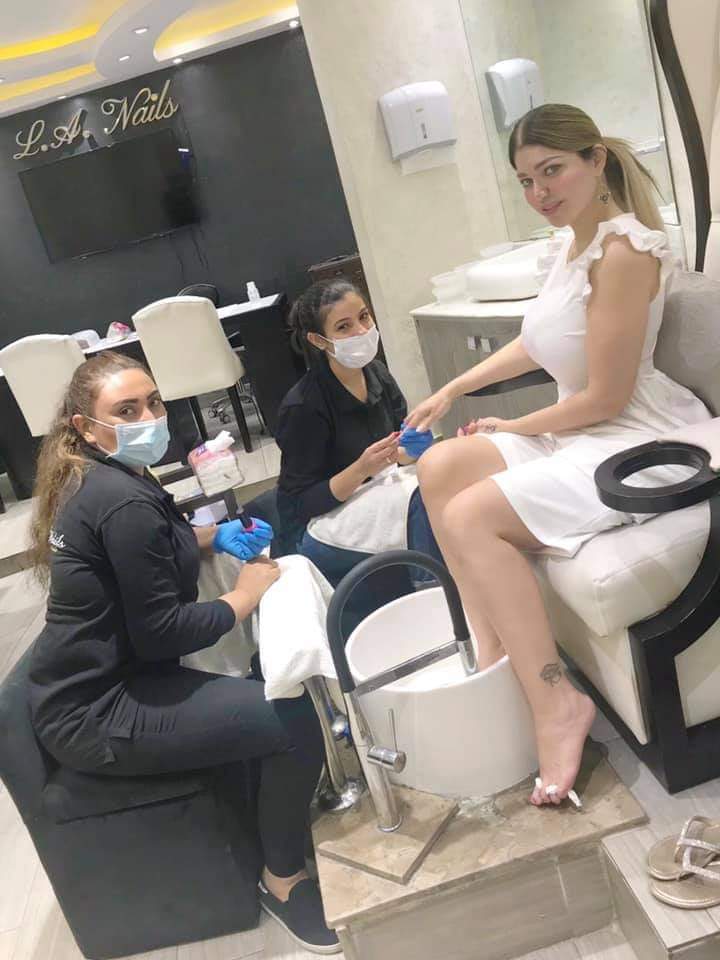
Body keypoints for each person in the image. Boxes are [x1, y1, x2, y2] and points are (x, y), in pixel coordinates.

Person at [404, 103, 710, 808]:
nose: (539, 192)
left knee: (472, 514)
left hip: (635, 436)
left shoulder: (624, 251)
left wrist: (513, 424)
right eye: (525, 181)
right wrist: (455, 386)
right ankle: (497, 660)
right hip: (584, 427)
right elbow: (538, 338)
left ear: (595, 160)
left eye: (552, 171)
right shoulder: (572, 245)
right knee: (438, 468)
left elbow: (606, 396)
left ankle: (555, 704)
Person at [27, 351, 340, 955]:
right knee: (292, 722)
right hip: (97, 711)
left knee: (265, 676)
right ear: (84, 426)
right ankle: (281, 879)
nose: (149, 418)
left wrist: (212, 535)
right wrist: (246, 594)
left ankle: (275, 816)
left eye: (153, 402)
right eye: (126, 411)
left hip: (92, 682)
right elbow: (163, 632)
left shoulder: (110, 475)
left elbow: (152, 544)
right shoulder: (120, 500)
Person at [276, 280, 437, 621]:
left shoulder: (377, 374)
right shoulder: (303, 406)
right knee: (419, 498)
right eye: (344, 327)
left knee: (442, 471)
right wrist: (362, 468)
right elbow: (301, 503)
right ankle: (435, 604)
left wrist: (415, 448)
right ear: (319, 341)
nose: (362, 331)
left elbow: (397, 454)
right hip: (318, 525)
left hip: (372, 493)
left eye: (364, 317)